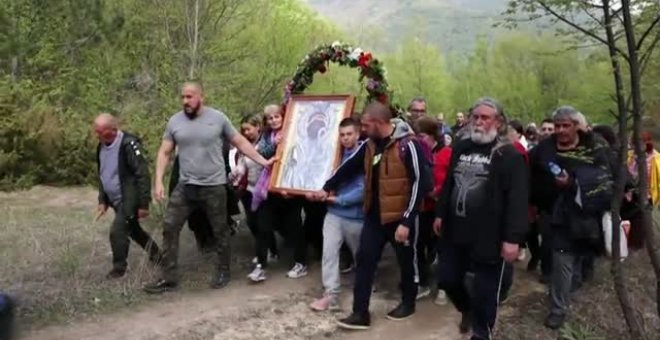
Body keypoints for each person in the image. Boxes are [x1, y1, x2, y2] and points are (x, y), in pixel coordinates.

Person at [313, 101, 433, 330]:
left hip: (400, 218)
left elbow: (421, 183)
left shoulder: (409, 145)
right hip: (374, 217)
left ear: (379, 123)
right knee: (365, 261)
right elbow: (348, 167)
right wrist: (326, 187)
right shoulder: (368, 145)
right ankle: (360, 313)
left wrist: (407, 221)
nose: (364, 130)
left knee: (408, 262)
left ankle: (408, 303)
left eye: (367, 125)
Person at [143, 82, 272, 294]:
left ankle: (223, 270)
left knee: (220, 230)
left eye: (190, 96)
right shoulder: (175, 121)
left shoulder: (218, 118)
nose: (185, 101)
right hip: (186, 187)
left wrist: (263, 161)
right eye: (183, 97)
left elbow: (240, 141)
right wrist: (157, 181)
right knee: (170, 226)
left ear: (202, 96)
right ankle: (169, 277)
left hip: (213, 186)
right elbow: (164, 152)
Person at [434, 97, 528, 339]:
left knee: (486, 291)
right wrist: (440, 214)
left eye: (485, 118)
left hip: (489, 237)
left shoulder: (509, 155)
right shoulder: (461, 147)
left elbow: (517, 200)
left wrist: (512, 238)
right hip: (456, 231)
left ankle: (481, 332)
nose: (478, 122)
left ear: (498, 121)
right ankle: (467, 309)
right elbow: (448, 185)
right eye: (475, 117)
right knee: (447, 278)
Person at [530, 106, 612, 329]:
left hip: (586, 215)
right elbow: (529, 172)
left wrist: (574, 183)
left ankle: (569, 289)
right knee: (561, 259)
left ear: (576, 126)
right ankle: (558, 308)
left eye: (566, 125)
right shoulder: (544, 149)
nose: (561, 130)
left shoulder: (593, 147)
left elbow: (605, 176)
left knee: (579, 259)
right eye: (557, 126)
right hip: (554, 216)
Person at [93, 113, 162, 279]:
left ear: (112, 129)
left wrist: (144, 203)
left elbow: (142, 174)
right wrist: (103, 200)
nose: (97, 135)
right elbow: (103, 174)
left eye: (100, 132)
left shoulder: (128, 144)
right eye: (96, 131)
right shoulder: (100, 147)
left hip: (129, 199)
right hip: (115, 199)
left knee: (117, 231)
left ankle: (119, 269)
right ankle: (158, 256)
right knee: (133, 230)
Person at [308, 117, 365, 312]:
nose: (346, 138)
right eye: (342, 135)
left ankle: (366, 283)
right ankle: (330, 294)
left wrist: (339, 200)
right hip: (333, 214)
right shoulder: (333, 155)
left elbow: (363, 189)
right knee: (329, 253)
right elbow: (318, 176)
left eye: (349, 134)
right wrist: (310, 190)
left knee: (361, 255)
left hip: (355, 216)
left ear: (357, 134)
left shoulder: (365, 155)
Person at [248, 104, 306, 282]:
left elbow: (302, 155)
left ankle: (300, 263)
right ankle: (260, 266)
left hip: (290, 187)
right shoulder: (266, 136)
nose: (274, 120)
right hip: (270, 187)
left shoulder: (296, 131)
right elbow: (262, 153)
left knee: (294, 227)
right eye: (270, 118)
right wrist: (274, 143)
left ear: (284, 117)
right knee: (263, 226)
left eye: (277, 117)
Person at [231, 114, 279, 265]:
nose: (246, 133)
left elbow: (269, 158)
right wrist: (235, 173)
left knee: (263, 224)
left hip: (264, 188)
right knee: (252, 222)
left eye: (249, 129)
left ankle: (267, 254)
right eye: (244, 130)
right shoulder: (242, 146)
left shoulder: (265, 144)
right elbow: (241, 164)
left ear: (258, 127)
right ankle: (265, 251)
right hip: (248, 189)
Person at [413, 116, 447, 300]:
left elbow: (451, 179)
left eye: (422, 135)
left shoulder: (446, 153)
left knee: (441, 247)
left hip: (440, 208)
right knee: (418, 245)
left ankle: (443, 286)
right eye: (416, 136)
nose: (419, 140)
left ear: (434, 135)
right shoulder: (414, 152)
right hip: (421, 208)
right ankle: (423, 282)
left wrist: (436, 190)